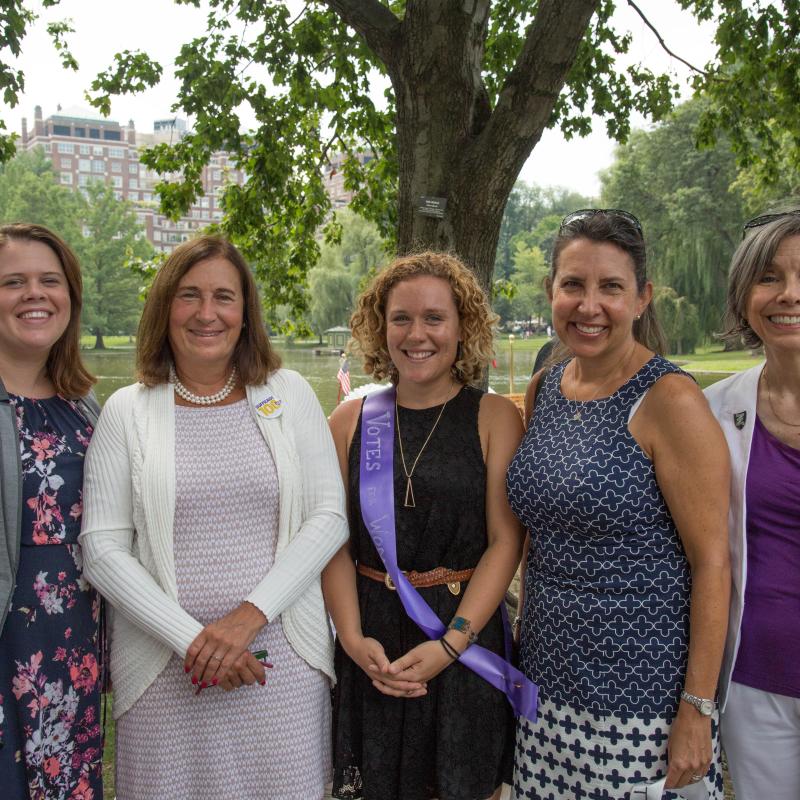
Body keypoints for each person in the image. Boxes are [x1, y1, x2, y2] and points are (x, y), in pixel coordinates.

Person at [79, 235, 348, 800]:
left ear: (245, 313)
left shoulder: (289, 393)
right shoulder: (126, 411)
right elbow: (103, 549)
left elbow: (327, 517)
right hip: (161, 671)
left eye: (224, 297)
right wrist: (194, 643)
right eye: (189, 296)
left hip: (279, 662)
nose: (207, 313)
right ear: (163, 309)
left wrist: (246, 620)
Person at [506, 209, 731, 799]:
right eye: (573, 285)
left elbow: (713, 564)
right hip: (547, 689)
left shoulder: (670, 400)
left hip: (639, 702)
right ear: (550, 290)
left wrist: (697, 710)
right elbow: (538, 536)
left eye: (611, 287)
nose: (589, 306)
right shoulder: (544, 388)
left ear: (642, 298)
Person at [323, 251, 526, 800]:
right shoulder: (349, 421)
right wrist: (350, 636)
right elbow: (334, 545)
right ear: (380, 327)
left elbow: (506, 542)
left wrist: (452, 644)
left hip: (462, 636)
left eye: (435, 318)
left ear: (463, 328)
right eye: (401, 318)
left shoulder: (494, 418)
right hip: (373, 645)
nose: (417, 334)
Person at [0, 223, 103, 798]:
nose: (35, 294)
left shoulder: (83, 403)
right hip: (6, 629)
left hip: (73, 640)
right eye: (13, 282)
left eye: (49, 281)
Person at [705, 209, 800, 800]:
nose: (789, 294)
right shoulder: (712, 411)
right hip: (755, 684)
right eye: (769, 277)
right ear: (744, 297)